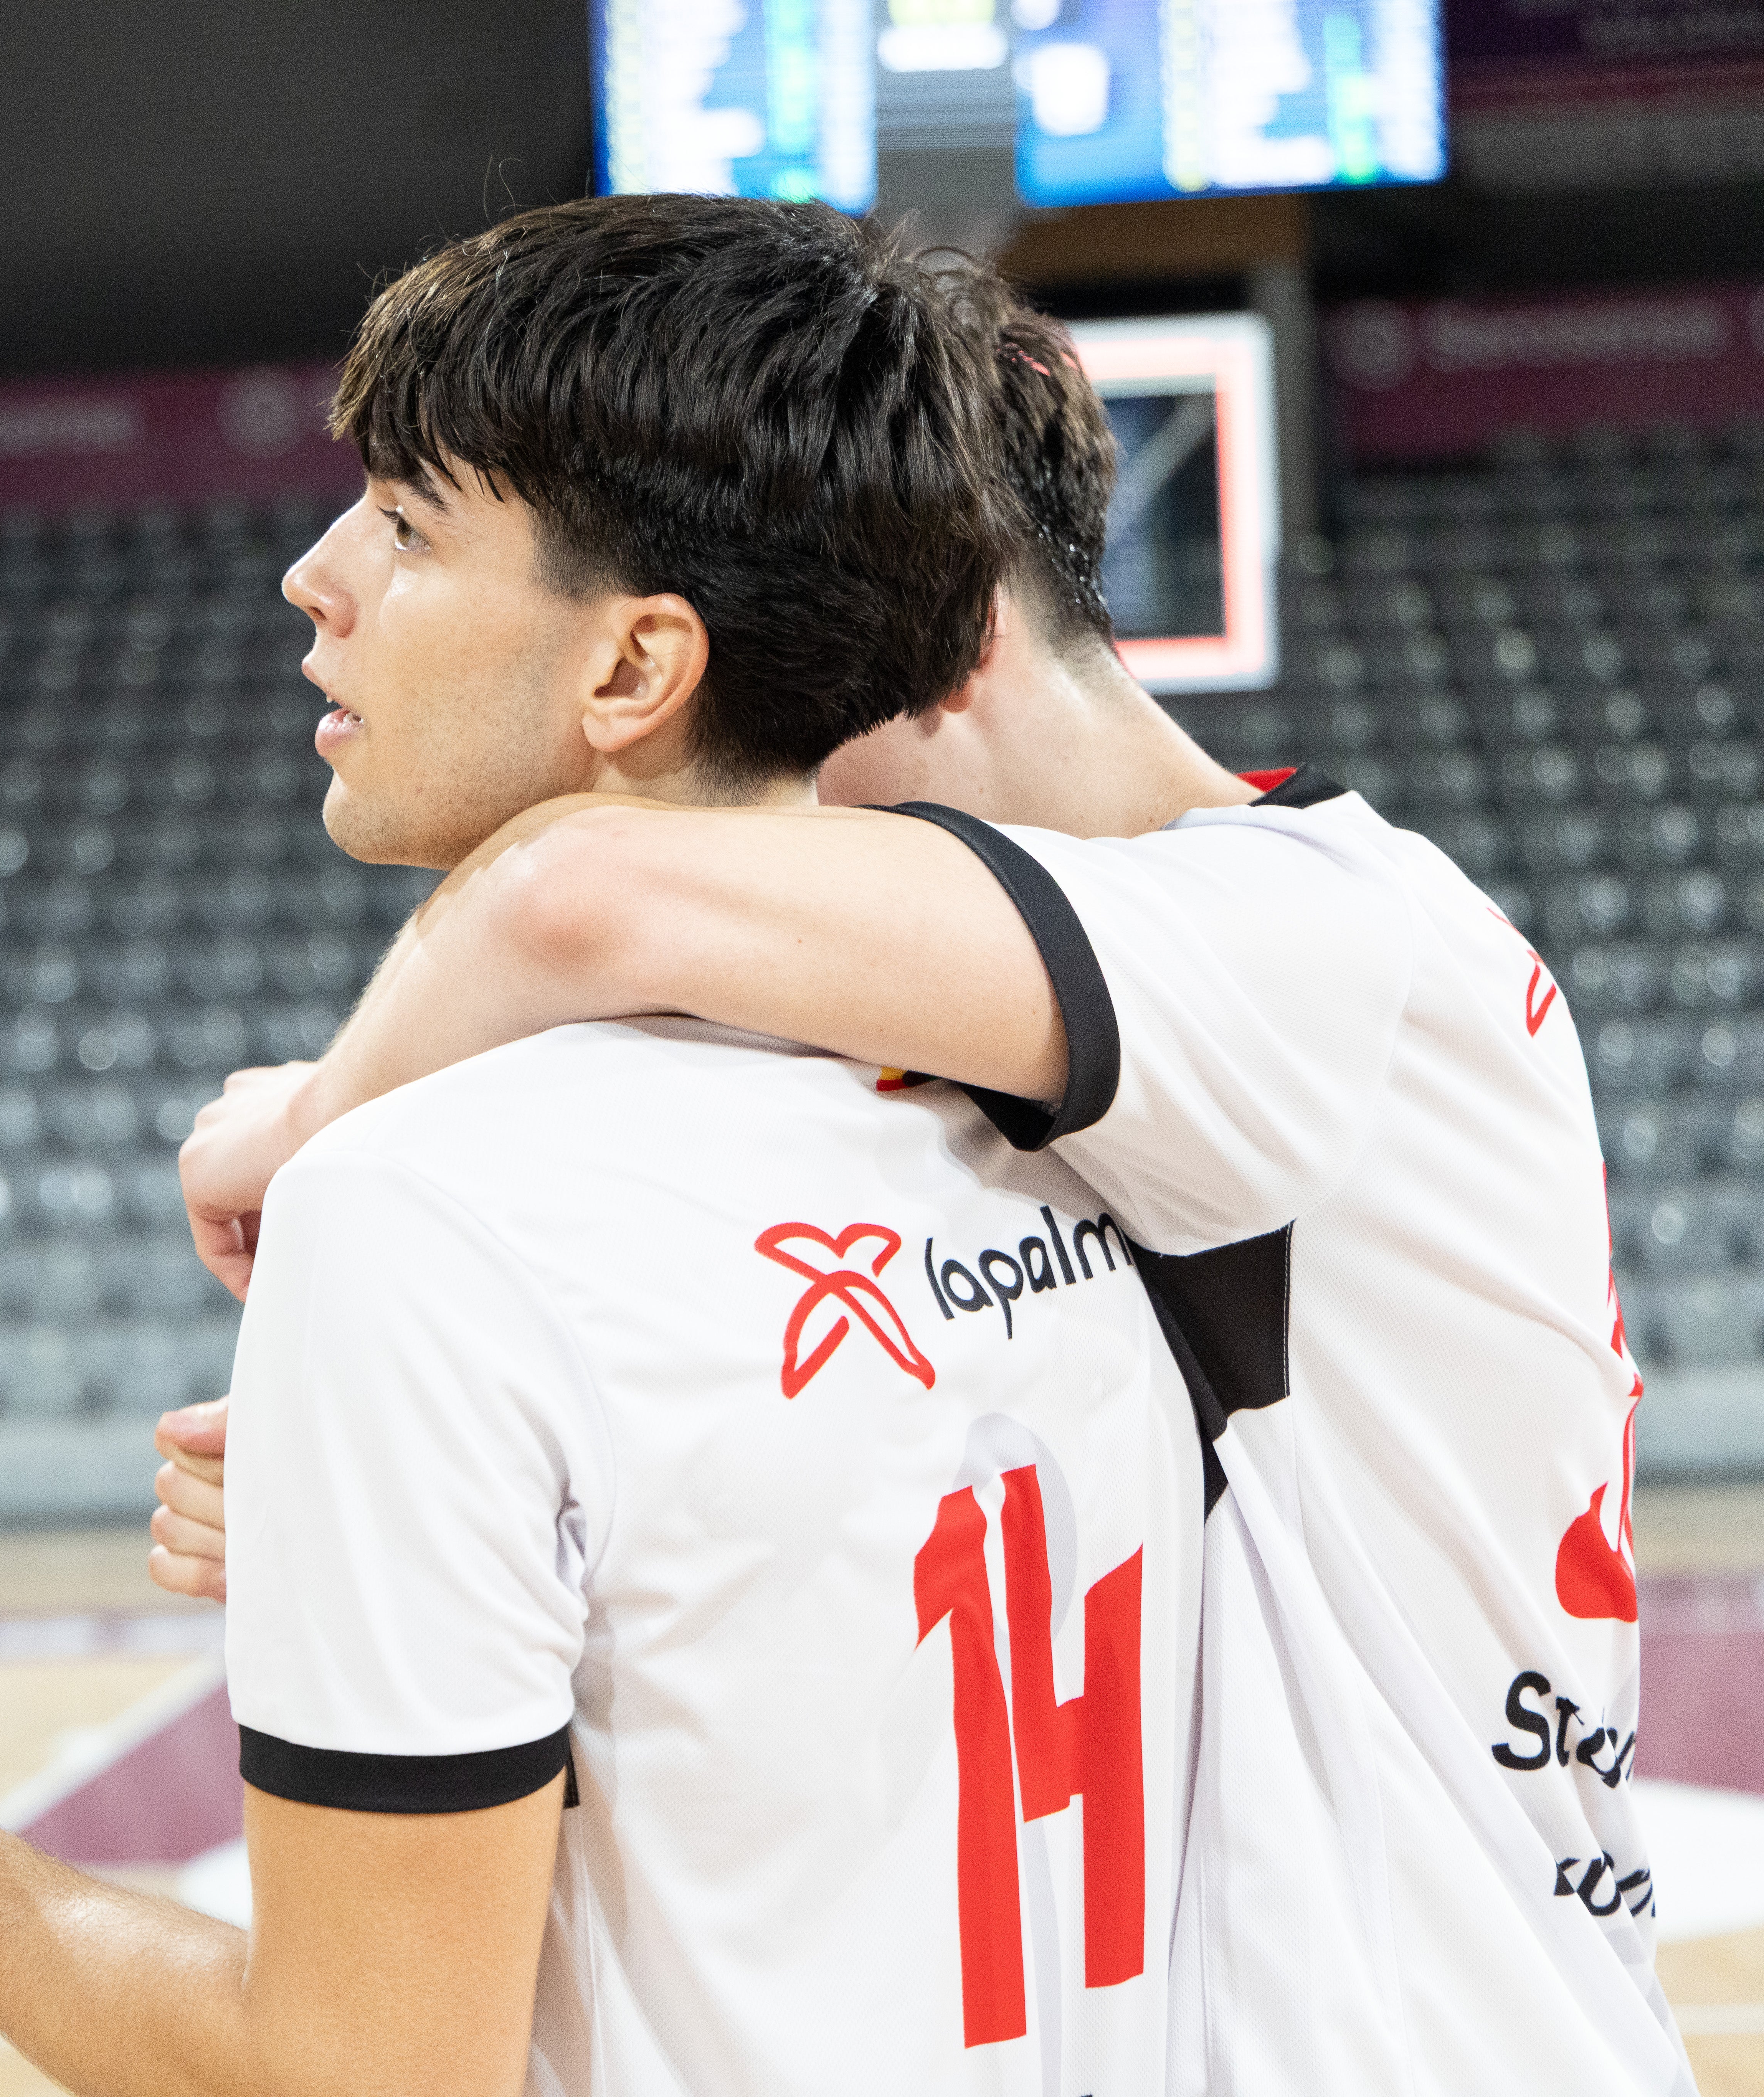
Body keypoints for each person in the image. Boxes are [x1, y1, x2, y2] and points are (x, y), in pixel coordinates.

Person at [0, 195, 1202, 2095]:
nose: (313, 575)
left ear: (630, 669)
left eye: (402, 523)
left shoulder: (422, 1215)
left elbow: (358, 2078)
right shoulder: (1081, 1120)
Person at [153, 269, 1690, 2089]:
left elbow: (575, 895)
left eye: (829, 659)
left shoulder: (1314, 938)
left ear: (941, 638)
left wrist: (306, 1124)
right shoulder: (1078, 1037)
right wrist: (421, 1512)